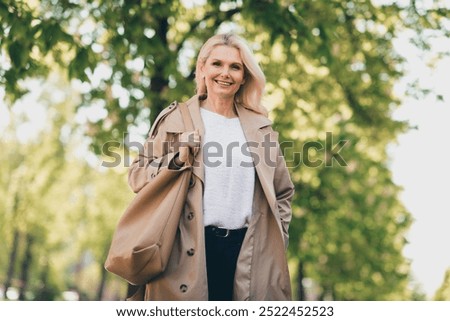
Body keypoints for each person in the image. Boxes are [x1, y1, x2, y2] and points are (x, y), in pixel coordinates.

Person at [128, 32, 294, 300]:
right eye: (217, 64)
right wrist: (178, 160)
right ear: (202, 68)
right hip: (185, 251)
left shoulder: (261, 128)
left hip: (248, 255)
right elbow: (137, 175)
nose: (225, 73)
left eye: (235, 67)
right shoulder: (176, 119)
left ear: (244, 76)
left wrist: (277, 238)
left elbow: (283, 191)